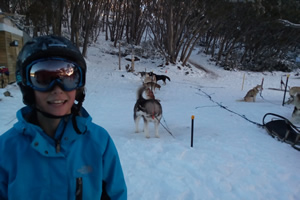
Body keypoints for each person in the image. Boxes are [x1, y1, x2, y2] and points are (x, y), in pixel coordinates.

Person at [0, 35, 127, 199]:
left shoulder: (99, 142)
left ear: (79, 87)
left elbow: (115, 195)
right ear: (28, 88)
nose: (57, 89)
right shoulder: (6, 150)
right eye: (43, 79)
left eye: (68, 78)